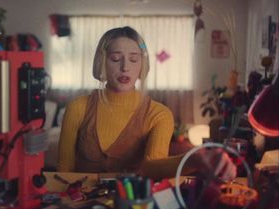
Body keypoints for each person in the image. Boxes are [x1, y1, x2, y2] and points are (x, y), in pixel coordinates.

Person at [57, 26, 236, 180]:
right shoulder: (78, 108)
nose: (125, 67)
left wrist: (193, 158)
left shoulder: (159, 115)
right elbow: (63, 172)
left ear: (142, 65)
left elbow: (152, 167)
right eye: (115, 59)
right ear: (101, 63)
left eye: (134, 59)